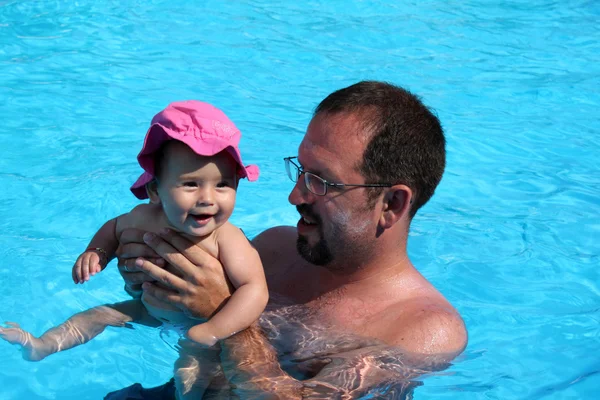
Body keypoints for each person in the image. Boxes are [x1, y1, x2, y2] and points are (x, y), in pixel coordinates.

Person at [115, 80, 468, 399]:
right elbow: (176, 316)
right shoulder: (273, 250)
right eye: (301, 171)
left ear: (391, 204)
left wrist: (224, 316)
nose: (295, 196)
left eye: (322, 181)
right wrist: (148, 271)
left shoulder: (421, 330)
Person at [0, 101, 269, 399]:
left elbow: (255, 289)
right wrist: (97, 252)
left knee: (189, 373)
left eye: (223, 185)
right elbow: (113, 228)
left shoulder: (227, 237)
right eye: (191, 184)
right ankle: (41, 345)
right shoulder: (142, 217)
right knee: (96, 315)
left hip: (200, 322)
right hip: (149, 309)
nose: (208, 198)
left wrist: (213, 330)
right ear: (155, 191)